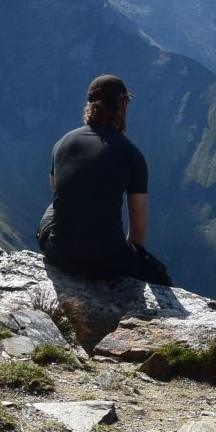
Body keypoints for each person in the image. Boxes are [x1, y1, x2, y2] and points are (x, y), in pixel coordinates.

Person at [37, 73, 171, 286]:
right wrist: (128, 259)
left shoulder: (62, 143)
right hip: (108, 265)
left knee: (54, 208)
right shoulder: (132, 155)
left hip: (59, 256)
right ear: (124, 105)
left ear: (89, 106)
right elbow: (139, 229)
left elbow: (58, 193)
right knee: (157, 272)